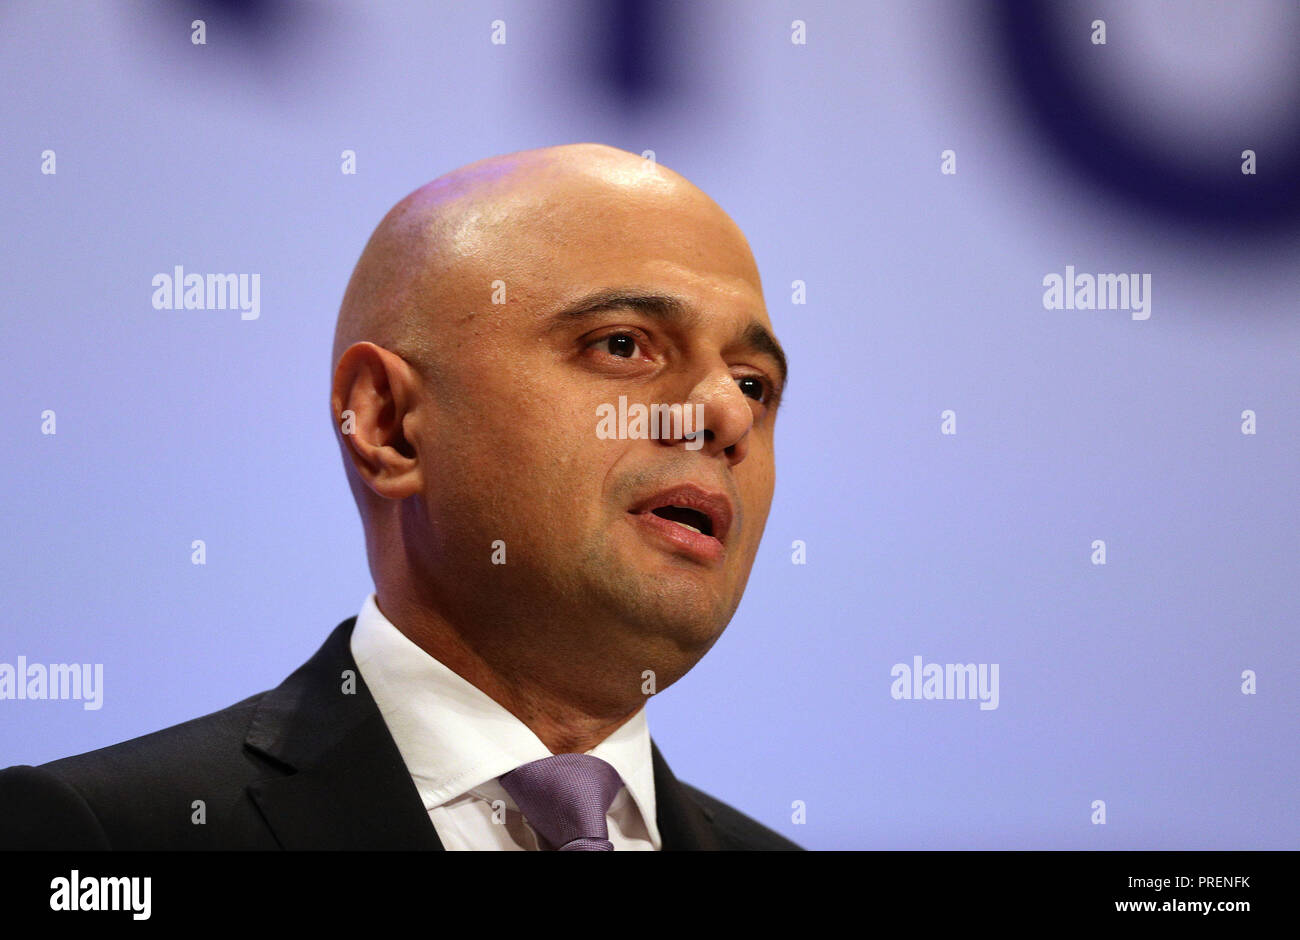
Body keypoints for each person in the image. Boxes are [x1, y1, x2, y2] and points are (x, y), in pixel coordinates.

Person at [0, 143, 798, 850]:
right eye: (621, 344)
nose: (726, 415)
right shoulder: (103, 837)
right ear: (388, 424)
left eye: (754, 385)